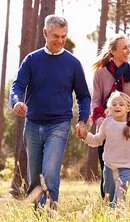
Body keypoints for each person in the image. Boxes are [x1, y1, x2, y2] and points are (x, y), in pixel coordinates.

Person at [9, 15, 91, 209]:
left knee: (50, 173)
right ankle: (38, 217)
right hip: (33, 124)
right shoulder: (32, 60)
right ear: (45, 33)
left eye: (64, 36)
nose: (60, 40)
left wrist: (82, 121)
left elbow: (84, 96)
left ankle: (50, 216)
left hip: (59, 123)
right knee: (35, 177)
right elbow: (17, 86)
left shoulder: (73, 64)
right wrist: (16, 102)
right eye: (56, 36)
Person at [91, 34, 130, 201]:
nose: (128, 50)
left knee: (124, 173)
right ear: (113, 51)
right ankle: (108, 207)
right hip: (107, 129)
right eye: (124, 47)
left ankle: (118, 206)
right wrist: (102, 123)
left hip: (128, 128)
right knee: (107, 173)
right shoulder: (100, 74)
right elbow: (96, 102)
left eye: (129, 47)